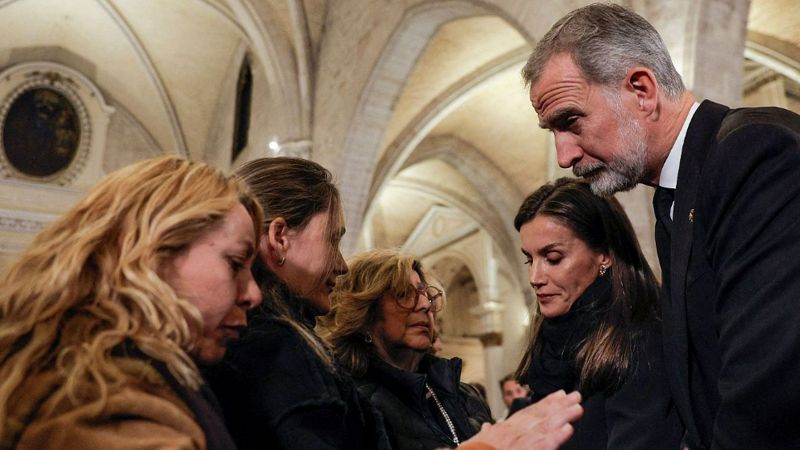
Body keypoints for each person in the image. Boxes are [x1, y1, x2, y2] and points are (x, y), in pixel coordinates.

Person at [522, 4, 800, 448]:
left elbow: (769, 380)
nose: (564, 155)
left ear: (642, 90)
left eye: (570, 122)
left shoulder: (751, 154)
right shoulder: (674, 198)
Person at [206, 157, 581, 450]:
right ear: (280, 237)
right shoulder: (275, 348)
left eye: (425, 294)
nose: (341, 265)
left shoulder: (273, 342)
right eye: (333, 239)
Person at [0, 156, 263, 449]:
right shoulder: (99, 402)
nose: (254, 295)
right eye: (235, 263)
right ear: (153, 253)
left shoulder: (79, 368)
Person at [513, 178, 681, 449]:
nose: (535, 277)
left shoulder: (641, 340)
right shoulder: (549, 346)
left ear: (604, 254)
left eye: (553, 258)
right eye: (529, 260)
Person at [318, 248, 495, 449]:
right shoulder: (348, 405)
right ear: (363, 313)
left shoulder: (465, 395)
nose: (425, 305)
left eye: (426, 294)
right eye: (404, 294)